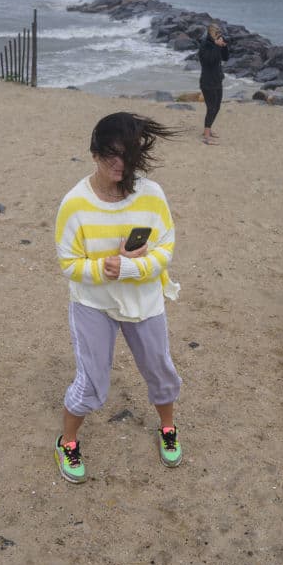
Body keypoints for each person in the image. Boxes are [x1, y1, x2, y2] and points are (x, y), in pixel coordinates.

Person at [53, 112, 184, 484]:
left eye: (127, 155)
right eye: (111, 154)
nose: (119, 164)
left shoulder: (151, 194)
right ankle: (67, 441)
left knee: (159, 368)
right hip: (94, 303)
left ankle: (168, 428)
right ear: (94, 153)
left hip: (143, 299)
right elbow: (69, 264)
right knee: (92, 379)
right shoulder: (74, 204)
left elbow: (165, 250)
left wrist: (130, 268)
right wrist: (106, 269)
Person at [197, 23, 230, 145]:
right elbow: (210, 61)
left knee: (217, 107)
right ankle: (206, 137)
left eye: (219, 33)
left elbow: (225, 58)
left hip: (217, 80)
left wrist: (224, 46)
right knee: (211, 108)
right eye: (216, 33)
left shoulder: (216, 43)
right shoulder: (204, 45)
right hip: (207, 81)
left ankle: (208, 130)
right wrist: (216, 46)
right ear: (211, 33)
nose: (219, 35)